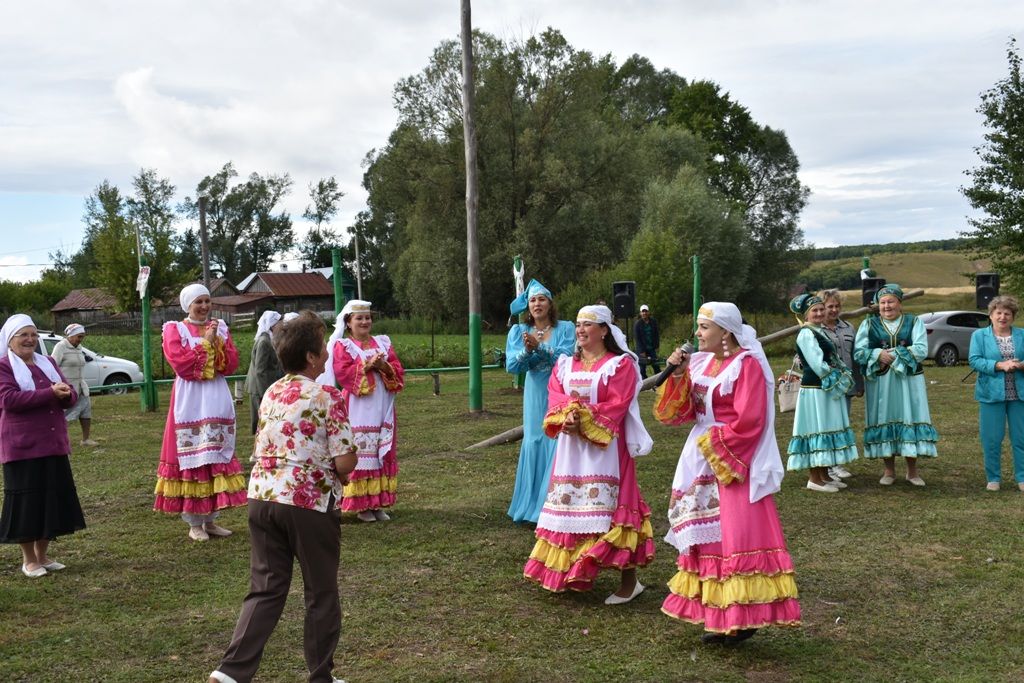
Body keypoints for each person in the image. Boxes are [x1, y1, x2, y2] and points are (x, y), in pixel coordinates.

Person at [209, 312, 357, 683]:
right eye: (322, 349)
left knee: (266, 589)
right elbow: (344, 461)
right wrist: (345, 464)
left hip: (261, 497)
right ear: (310, 357)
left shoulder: (273, 391)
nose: (326, 355)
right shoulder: (328, 396)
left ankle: (228, 674)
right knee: (321, 592)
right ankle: (320, 676)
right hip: (307, 504)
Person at [654, 302, 800, 644]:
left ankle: (743, 615)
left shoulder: (746, 364)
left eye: (704, 328)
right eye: (699, 328)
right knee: (708, 538)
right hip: (699, 454)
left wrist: (716, 444)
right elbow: (681, 412)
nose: (698, 334)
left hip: (730, 457)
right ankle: (717, 614)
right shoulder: (701, 363)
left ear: (726, 332)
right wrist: (677, 374)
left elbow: (751, 419)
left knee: (734, 536)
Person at [523, 304, 654, 605]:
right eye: (579, 324)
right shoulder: (566, 364)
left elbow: (617, 404)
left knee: (616, 509)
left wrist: (582, 418)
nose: (581, 329)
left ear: (604, 330)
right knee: (571, 507)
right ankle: (570, 571)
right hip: (571, 450)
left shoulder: (619, 365)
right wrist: (565, 416)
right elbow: (555, 395)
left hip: (606, 449)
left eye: (588, 324)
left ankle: (629, 581)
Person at [154, 284, 247, 541]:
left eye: (207, 301)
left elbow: (230, 363)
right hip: (191, 398)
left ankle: (211, 519)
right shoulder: (175, 329)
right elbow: (181, 364)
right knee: (193, 455)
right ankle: (194, 522)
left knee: (214, 454)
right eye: (199, 302)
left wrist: (217, 344)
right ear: (188, 305)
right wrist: (206, 343)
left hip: (215, 394)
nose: (204, 306)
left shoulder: (220, 327)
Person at [0, 314, 86, 577]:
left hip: (52, 442)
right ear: (10, 340)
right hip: (22, 445)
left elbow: (68, 392)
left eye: (34, 335)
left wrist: (67, 394)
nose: (30, 340)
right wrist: (50, 393)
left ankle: (43, 556)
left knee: (51, 498)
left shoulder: (47, 362)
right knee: (28, 502)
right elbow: (9, 399)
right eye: (23, 335)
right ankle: (29, 560)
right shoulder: (4, 366)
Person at [318, 300, 405, 522]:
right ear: (348, 323)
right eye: (359, 318)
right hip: (358, 407)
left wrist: (384, 366)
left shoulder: (383, 343)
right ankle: (363, 505)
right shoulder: (343, 346)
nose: (365, 321)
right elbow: (343, 374)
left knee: (379, 450)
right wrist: (367, 366)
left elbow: (397, 369)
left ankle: (378, 503)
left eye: (367, 318)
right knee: (362, 451)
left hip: (382, 404)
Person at [504, 279, 575, 523]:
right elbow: (512, 365)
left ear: (550, 304)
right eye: (533, 300)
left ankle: (554, 504)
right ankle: (531, 505)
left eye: (541, 299)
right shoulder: (518, 332)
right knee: (535, 439)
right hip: (535, 391)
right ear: (528, 307)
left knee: (557, 439)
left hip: (559, 389)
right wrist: (528, 350)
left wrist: (541, 348)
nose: (537, 304)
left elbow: (567, 357)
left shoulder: (565, 328)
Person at [854, 284, 939, 486]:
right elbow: (859, 352)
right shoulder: (869, 324)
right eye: (883, 302)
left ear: (900, 303)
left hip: (909, 381)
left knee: (910, 416)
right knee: (886, 417)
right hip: (881, 383)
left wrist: (891, 355)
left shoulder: (913, 322)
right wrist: (876, 354)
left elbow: (921, 349)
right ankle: (889, 470)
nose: (886, 306)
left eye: (891, 301)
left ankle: (912, 471)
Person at [785, 294, 858, 492]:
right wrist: (837, 376)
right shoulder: (807, 333)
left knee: (826, 428)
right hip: (816, 389)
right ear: (806, 315)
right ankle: (814, 479)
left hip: (824, 388)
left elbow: (832, 357)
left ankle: (824, 475)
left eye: (820, 309)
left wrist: (843, 371)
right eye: (814, 311)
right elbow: (818, 364)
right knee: (817, 428)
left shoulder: (819, 331)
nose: (819, 313)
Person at [968, 295, 1024, 492]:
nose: (1002, 317)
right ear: (990, 315)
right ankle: (993, 478)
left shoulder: (1022, 335)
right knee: (991, 438)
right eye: (998, 313)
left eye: (1007, 313)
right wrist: (999, 365)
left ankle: (1022, 478)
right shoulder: (979, 336)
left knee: (1021, 438)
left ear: (1013, 316)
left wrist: (1020, 365)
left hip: (1019, 395)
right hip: (991, 394)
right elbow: (974, 360)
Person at [818, 288, 863, 480]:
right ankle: (826, 466)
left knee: (842, 424)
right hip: (826, 388)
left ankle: (838, 463)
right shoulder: (815, 329)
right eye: (830, 306)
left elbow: (855, 358)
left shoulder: (848, 328)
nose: (834, 310)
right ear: (822, 307)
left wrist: (859, 384)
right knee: (827, 425)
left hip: (846, 386)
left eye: (837, 306)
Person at [51, 322, 98, 447]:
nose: (81, 339)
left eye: (82, 336)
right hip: (67, 387)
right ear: (71, 335)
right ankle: (58, 440)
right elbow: (52, 366)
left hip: (81, 386)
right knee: (63, 416)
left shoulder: (79, 347)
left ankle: (86, 439)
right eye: (79, 336)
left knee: (86, 412)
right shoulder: (61, 347)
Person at [244, 310, 284, 435]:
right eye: (279, 323)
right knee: (261, 422)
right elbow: (260, 370)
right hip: (259, 388)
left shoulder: (270, 339)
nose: (282, 325)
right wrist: (265, 394)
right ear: (272, 325)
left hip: (264, 386)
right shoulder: (264, 342)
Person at [633, 304, 661, 379]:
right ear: (640, 313)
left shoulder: (653, 322)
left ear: (648, 312)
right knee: (642, 368)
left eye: (646, 311)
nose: (644, 313)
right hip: (642, 349)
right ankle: (644, 383)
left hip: (652, 347)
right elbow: (637, 339)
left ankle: (659, 380)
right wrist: (642, 351)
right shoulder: (637, 324)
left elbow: (656, 334)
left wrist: (657, 346)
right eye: (643, 312)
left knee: (656, 365)